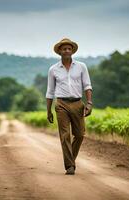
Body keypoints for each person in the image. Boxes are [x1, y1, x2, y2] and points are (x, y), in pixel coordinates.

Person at [46, 38, 93, 175]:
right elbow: (50, 91)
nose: (67, 51)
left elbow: (87, 85)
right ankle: (70, 166)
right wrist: (48, 111)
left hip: (78, 103)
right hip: (61, 104)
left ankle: (70, 159)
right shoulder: (53, 69)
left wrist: (89, 103)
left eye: (69, 49)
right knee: (65, 135)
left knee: (79, 135)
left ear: (72, 51)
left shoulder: (81, 67)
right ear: (59, 51)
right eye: (64, 49)